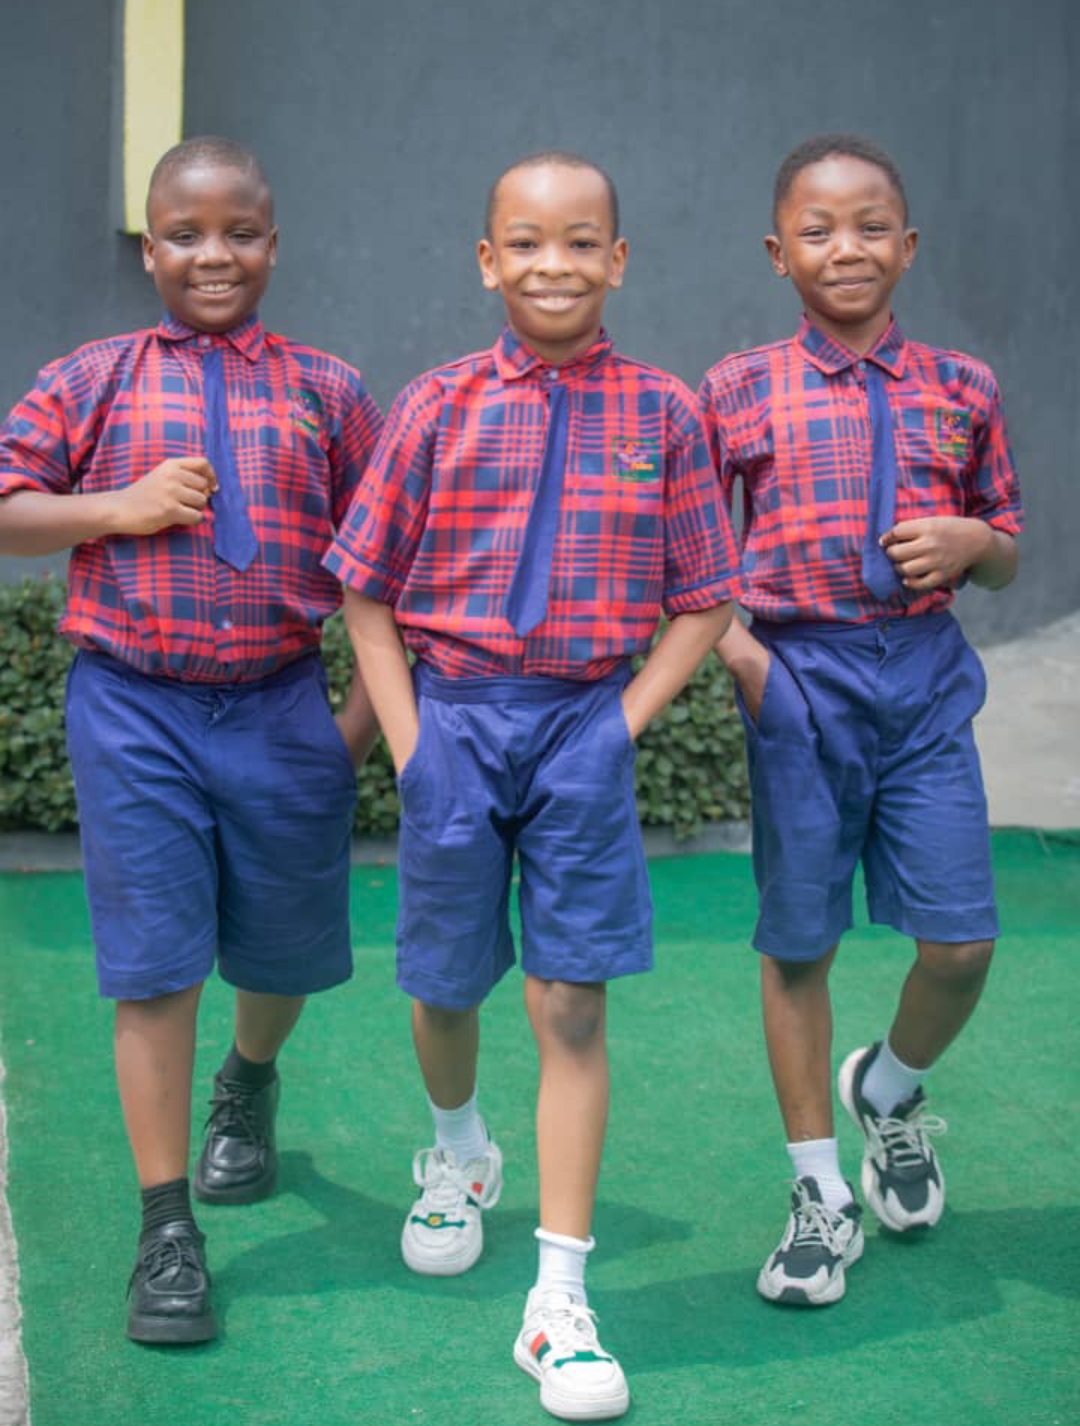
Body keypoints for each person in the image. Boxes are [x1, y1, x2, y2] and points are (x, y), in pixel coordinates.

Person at [324, 151, 740, 1420]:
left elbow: (708, 596)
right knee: (443, 981)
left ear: (619, 260)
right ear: (488, 260)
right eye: (527, 242)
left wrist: (617, 727)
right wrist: (408, 742)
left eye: (580, 243)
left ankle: (558, 1300)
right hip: (453, 717)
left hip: (581, 728)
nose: (552, 265)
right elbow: (366, 586)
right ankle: (458, 1153)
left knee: (571, 1005)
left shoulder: (665, 413)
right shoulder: (436, 406)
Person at [0, 137, 383, 1344]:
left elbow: (391, 566)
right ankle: (166, 1225)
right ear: (150, 244)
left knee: (278, 956)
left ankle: (249, 1081)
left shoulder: (330, 390)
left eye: (241, 232)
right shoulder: (93, 376)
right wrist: (117, 507)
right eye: (186, 233)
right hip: (134, 705)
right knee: (156, 964)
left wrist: (351, 730)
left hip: (279, 704)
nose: (213, 254)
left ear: (275, 240)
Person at [698, 133, 1023, 1308]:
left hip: (927, 682)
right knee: (800, 944)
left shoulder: (965, 387)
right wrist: (744, 657)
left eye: (872, 224)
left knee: (962, 946)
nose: (848, 246)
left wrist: (974, 543)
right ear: (779, 251)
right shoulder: (734, 388)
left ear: (909, 244)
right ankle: (818, 1194)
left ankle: (889, 1086)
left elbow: (1007, 543)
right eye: (820, 229)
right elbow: (681, 553)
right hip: (802, 683)